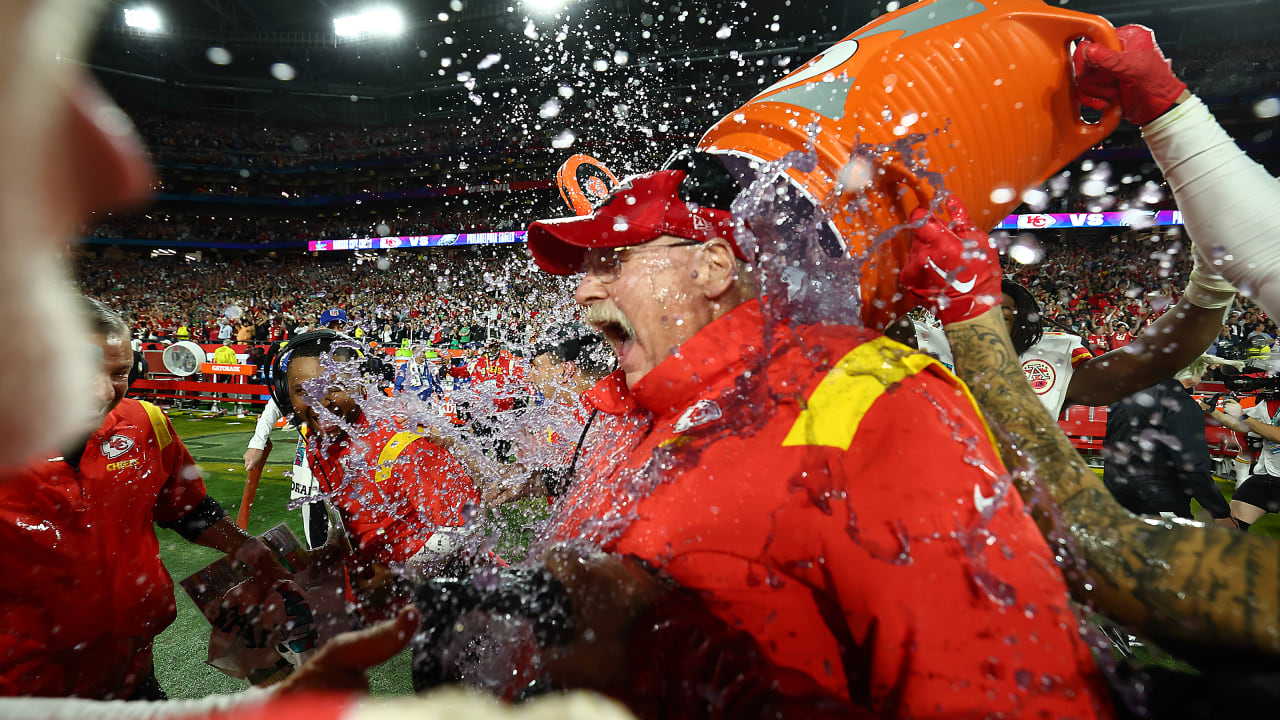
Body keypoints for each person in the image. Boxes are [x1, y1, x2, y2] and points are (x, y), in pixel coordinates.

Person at [523, 168, 1112, 718]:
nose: (584, 292)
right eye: (586, 267)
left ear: (712, 266)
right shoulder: (637, 416)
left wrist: (659, 646)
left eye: (612, 261)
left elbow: (1002, 690)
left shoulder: (863, 394)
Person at [0, 297, 291, 699]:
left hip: (132, 669)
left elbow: (190, 511)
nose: (104, 391)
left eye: (119, 373)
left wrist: (256, 555)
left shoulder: (146, 424)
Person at [274, 330, 480, 615]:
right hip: (399, 599)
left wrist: (401, 577)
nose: (319, 403)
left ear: (360, 385)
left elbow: (462, 526)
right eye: (303, 391)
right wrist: (331, 550)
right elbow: (352, 512)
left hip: (462, 598)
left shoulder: (402, 439)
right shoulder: (319, 445)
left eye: (332, 387)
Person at [245, 309, 349, 548]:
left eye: (339, 325)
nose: (335, 330)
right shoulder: (303, 364)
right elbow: (274, 406)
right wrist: (256, 444)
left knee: (352, 529)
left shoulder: (353, 362)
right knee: (316, 531)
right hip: (312, 460)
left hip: (348, 457)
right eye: (330, 325)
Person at [484, 322, 612, 505]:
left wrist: (539, 482)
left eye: (536, 366)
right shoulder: (566, 410)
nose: (530, 376)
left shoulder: (610, 410)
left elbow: (603, 477)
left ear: (565, 370)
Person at [1102, 355, 1235, 525]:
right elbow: (1192, 467)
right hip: (1159, 501)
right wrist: (1220, 512)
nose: (1206, 370)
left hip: (1117, 494)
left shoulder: (1128, 394)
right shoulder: (1181, 404)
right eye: (1202, 365)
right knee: (1174, 550)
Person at [1204, 397, 1280, 531]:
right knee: (1228, 529)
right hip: (1267, 476)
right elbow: (1242, 425)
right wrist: (1214, 411)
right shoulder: (1270, 403)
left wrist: (1243, 416)